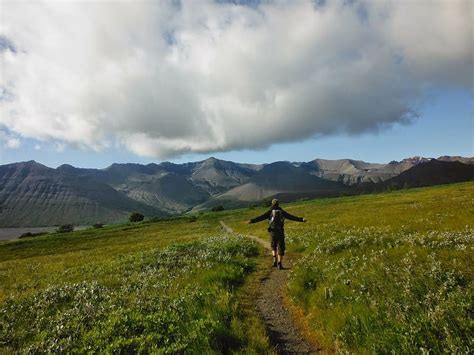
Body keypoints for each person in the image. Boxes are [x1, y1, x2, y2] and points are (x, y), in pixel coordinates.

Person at [247, 199, 306, 270]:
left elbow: (261, 217)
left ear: (272, 204)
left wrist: (252, 221)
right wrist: (301, 219)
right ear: (278, 204)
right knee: (281, 246)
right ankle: (279, 264)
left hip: (272, 232)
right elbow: (291, 217)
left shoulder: (270, 211)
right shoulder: (282, 212)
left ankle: (274, 260)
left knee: (273, 245)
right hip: (280, 231)